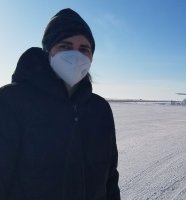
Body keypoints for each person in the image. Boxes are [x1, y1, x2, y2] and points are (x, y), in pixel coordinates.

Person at [0, 8, 120, 199]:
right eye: (65, 46)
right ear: (48, 52)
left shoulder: (100, 109)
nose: (76, 56)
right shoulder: (10, 102)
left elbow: (110, 179)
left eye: (84, 49)